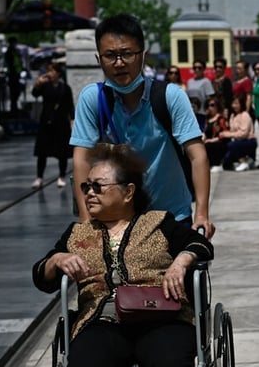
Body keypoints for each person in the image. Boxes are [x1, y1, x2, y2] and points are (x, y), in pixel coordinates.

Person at [32, 143, 213, 367]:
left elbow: (201, 245)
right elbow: (41, 275)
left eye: (98, 186)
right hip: (102, 321)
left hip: (159, 316)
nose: (89, 193)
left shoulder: (158, 223)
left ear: (128, 191)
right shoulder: (76, 234)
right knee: (83, 365)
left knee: (170, 360)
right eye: (86, 186)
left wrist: (181, 260)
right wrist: (57, 261)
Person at [70, 14, 215, 238]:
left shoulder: (169, 96)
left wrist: (202, 214)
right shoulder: (93, 99)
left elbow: (198, 156)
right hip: (114, 220)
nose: (119, 63)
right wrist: (86, 221)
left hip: (171, 217)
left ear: (143, 56)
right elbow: (81, 160)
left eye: (127, 54)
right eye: (110, 55)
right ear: (99, 59)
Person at [30, 62, 75, 189]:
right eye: (48, 71)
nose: (49, 73)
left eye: (52, 71)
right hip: (46, 121)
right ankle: (39, 177)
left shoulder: (65, 88)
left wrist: (72, 120)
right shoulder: (45, 86)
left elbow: (70, 105)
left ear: (58, 73)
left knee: (62, 152)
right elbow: (34, 94)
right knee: (42, 152)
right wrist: (38, 84)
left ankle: (61, 176)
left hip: (61, 122)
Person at [217, 94, 257, 171]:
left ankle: (243, 161)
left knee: (232, 145)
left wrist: (227, 134)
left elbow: (243, 134)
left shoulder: (245, 115)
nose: (234, 106)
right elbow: (232, 130)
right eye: (233, 103)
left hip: (248, 141)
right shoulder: (233, 116)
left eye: (236, 103)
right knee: (226, 161)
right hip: (237, 141)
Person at [202, 96, 229, 171]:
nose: (210, 108)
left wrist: (211, 140)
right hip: (209, 141)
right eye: (208, 105)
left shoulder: (220, 119)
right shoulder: (208, 119)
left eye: (212, 105)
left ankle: (217, 164)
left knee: (209, 145)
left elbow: (224, 133)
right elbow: (205, 132)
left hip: (219, 142)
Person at [5, 36, 25, 116]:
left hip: (17, 74)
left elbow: (19, 61)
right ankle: (14, 108)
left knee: (17, 91)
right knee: (14, 92)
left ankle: (15, 107)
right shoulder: (10, 51)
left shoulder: (16, 51)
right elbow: (11, 64)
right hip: (13, 75)